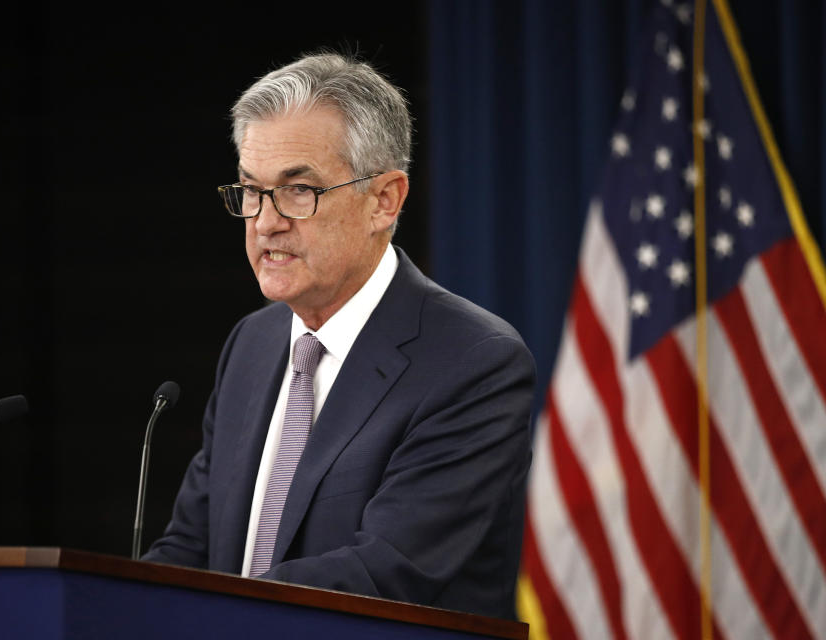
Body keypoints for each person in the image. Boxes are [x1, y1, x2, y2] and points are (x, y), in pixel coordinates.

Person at [143, 52, 536, 620]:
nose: (265, 221)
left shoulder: (474, 363)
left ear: (384, 200)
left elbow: (384, 572)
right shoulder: (252, 345)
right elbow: (191, 547)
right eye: (251, 191)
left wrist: (204, 616)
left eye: (298, 191)